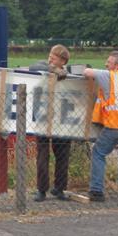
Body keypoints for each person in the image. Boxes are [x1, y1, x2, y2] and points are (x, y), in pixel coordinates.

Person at [84, 51, 118, 203]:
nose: (105, 64)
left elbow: (86, 72)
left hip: (116, 125)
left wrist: (89, 70)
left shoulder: (109, 76)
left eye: (108, 62)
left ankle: (96, 191)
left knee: (98, 152)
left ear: (116, 65)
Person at [29, 44, 72, 202]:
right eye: (50, 55)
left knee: (63, 155)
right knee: (42, 155)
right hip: (43, 117)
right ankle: (41, 189)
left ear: (63, 60)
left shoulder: (70, 73)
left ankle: (59, 188)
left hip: (63, 120)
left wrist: (63, 72)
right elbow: (34, 66)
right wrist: (53, 70)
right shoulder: (44, 67)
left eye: (54, 57)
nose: (50, 59)